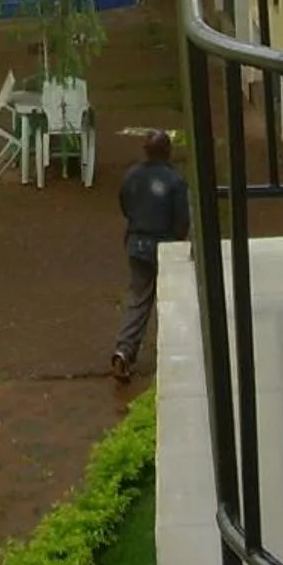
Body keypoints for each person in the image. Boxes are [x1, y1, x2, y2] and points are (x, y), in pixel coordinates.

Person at [111, 129, 191, 381]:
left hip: (136, 244)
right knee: (175, 300)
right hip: (165, 246)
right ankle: (178, 350)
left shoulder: (131, 176)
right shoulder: (175, 181)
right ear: (168, 151)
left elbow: (124, 205)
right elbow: (182, 221)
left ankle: (124, 350)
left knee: (138, 299)